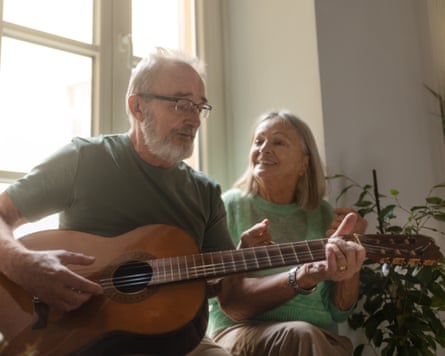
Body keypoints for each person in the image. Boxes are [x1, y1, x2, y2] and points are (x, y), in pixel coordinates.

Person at [207, 110, 368, 356]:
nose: (264, 149)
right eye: (258, 141)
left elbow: (340, 311)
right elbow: (217, 295)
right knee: (300, 335)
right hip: (240, 330)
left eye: (278, 142)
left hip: (317, 336)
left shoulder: (324, 214)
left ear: (304, 163)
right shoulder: (227, 207)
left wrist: (351, 259)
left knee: (308, 337)